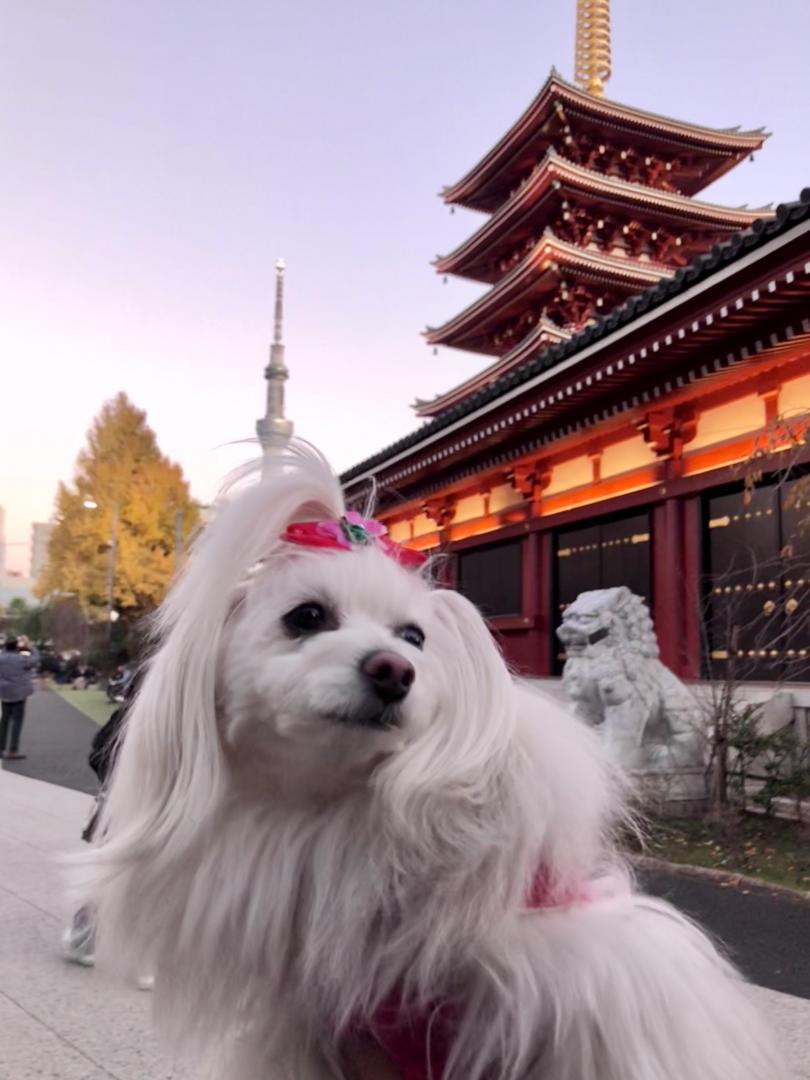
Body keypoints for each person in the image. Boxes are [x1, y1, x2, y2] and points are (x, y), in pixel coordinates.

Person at [62, 669, 153, 989]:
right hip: (130, 808)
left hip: (130, 807)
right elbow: (99, 755)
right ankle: (98, 942)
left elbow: (96, 754)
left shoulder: (128, 718)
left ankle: (83, 938)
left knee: (123, 877)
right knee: (126, 878)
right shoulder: (137, 721)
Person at [0, 635, 40, 760]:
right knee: (17, 721)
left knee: (4, 721)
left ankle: (1, 748)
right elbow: (36, 659)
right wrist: (29, 646)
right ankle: (13, 750)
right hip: (19, 693)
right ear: (17, 646)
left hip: (4, 692)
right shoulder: (22, 659)